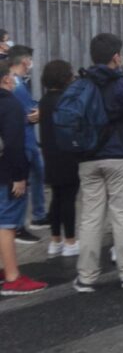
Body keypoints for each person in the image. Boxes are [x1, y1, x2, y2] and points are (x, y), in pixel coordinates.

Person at [74, 33, 123, 292]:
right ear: (116, 57)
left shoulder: (82, 84)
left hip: (88, 159)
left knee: (90, 217)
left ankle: (86, 276)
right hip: (120, 157)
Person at [0, 60, 47, 296]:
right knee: (7, 225)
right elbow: (14, 143)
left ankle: (5, 270)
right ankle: (12, 277)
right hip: (7, 174)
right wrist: (19, 177)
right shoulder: (9, 104)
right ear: (7, 79)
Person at [39, 60, 80, 258]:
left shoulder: (44, 100)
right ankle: (70, 241)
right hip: (67, 155)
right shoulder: (66, 100)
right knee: (68, 199)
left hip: (50, 154)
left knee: (56, 198)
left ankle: (55, 241)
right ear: (64, 77)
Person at [7, 45, 45, 243]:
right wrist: (38, 114)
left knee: (35, 174)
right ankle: (18, 226)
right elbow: (31, 112)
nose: (31, 64)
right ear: (24, 61)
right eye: (30, 60)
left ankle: (37, 215)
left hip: (27, 139)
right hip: (23, 140)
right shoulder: (16, 84)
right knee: (21, 182)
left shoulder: (19, 82)